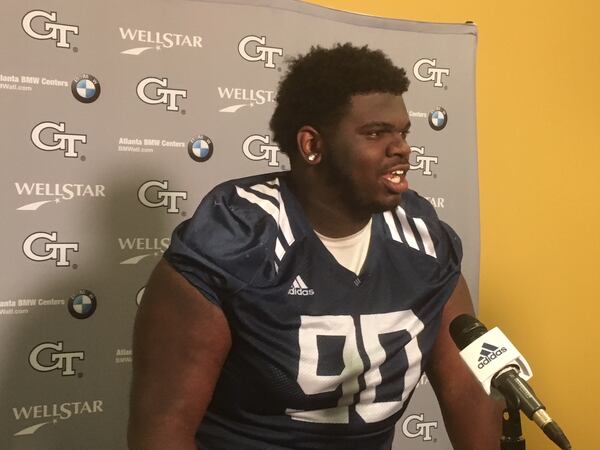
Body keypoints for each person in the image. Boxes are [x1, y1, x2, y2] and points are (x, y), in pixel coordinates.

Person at [128, 43, 503, 450]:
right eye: (376, 133)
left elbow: (468, 389)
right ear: (312, 146)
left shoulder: (424, 238)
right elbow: (162, 431)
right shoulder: (234, 239)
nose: (401, 148)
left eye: (402, 132)